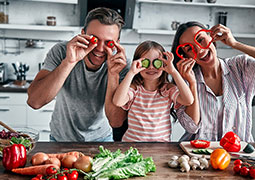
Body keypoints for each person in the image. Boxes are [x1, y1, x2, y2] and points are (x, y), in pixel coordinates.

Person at [171, 21, 255, 142]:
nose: (199, 50)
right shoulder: (184, 81)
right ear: (185, 56)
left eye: (200, 40)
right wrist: (192, 84)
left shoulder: (239, 67)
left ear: (211, 36)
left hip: (238, 152)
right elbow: (191, 127)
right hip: (198, 154)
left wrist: (235, 44)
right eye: (189, 48)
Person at [27, 7, 129, 142]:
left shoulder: (121, 65)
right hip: (61, 140)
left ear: (117, 43)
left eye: (108, 43)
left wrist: (113, 75)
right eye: (94, 39)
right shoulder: (62, 51)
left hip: (102, 139)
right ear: (82, 34)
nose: (99, 49)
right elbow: (35, 101)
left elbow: (116, 121)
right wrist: (69, 62)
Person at [112, 40, 194, 142]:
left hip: (160, 147)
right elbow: (117, 101)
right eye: (145, 62)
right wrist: (131, 73)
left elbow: (188, 100)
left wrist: (173, 72)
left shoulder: (167, 89)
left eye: (156, 62)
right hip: (132, 145)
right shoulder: (135, 89)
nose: (151, 67)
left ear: (164, 64)